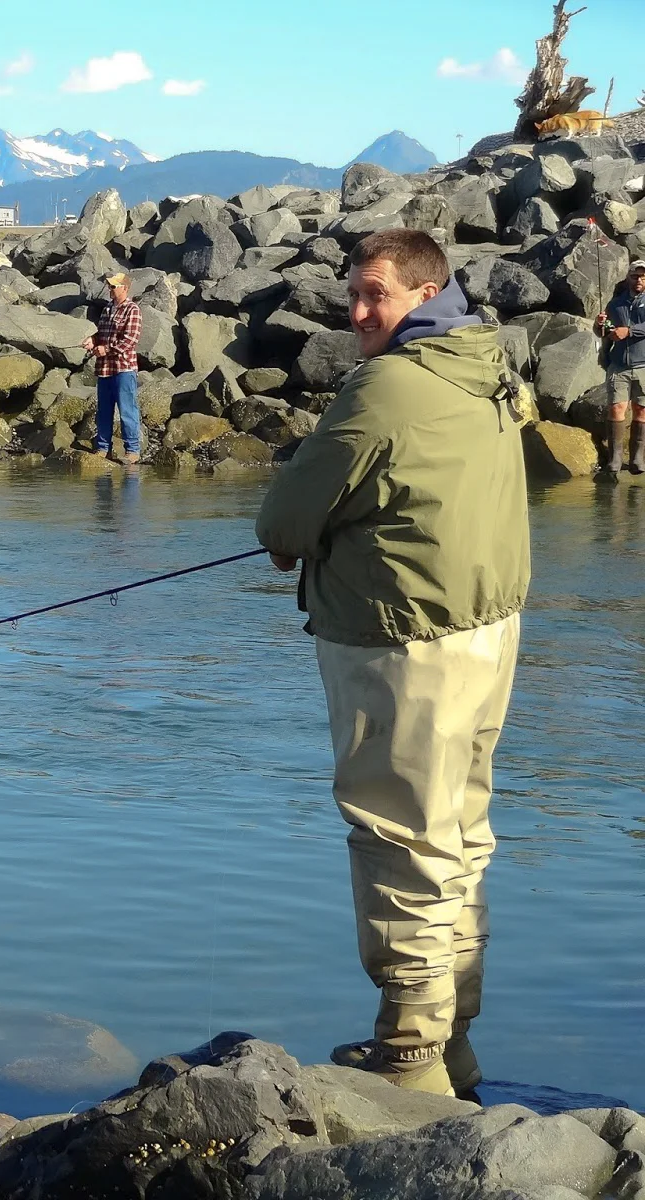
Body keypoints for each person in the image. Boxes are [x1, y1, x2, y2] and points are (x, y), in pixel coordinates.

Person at [256, 229, 530, 1097]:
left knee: (399, 836)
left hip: (400, 638)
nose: (361, 312)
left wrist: (303, 539)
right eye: (356, 295)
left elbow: (282, 524)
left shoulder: (389, 385)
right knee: (460, 835)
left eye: (377, 294)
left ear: (425, 291)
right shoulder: (485, 364)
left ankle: (411, 1055)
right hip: (488, 631)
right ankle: (456, 1044)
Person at [82, 270, 142, 463]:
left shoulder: (132, 310)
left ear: (125, 288)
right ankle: (102, 448)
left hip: (124, 369)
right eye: (109, 285)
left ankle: (132, 451)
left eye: (113, 286)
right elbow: (101, 334)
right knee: (104, 411)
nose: (110, 288)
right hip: (105, 370)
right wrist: (92, 341)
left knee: (127, 411)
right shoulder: (107, 308)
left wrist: (105, 349)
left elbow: (130, 340)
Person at [594, 259, 645, 476]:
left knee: (641, 410)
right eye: (635, 276)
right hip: (619, 365)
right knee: (616, 408)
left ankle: (637, 458)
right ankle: (615, 459)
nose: (639, 280)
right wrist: (600, 324)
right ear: (628, 277)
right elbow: (605, 332)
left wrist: (630, 331)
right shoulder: (615, 303)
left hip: (643, 365)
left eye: (643, 276)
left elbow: (629, 330)